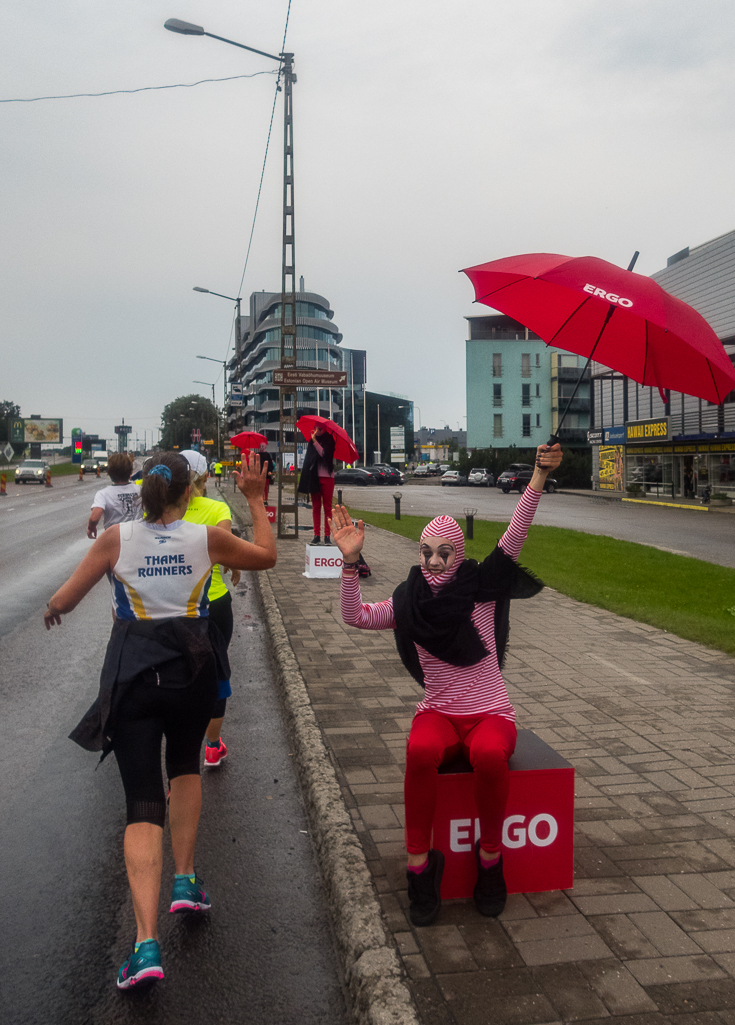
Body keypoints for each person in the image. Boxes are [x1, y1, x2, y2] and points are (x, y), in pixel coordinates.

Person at [45, 451, 275, 989]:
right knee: (186, 768)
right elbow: (266, 556)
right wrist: (257, 502)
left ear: (145, 493)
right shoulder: (205, 539)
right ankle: (186, 881)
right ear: (187, 492)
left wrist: (53, 607)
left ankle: (146, 944)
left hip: (133, 673)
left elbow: (65, 598)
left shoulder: (115, 540)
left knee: (142, 799)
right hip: (192, 667)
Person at [331, 443, 562, 926]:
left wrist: (538, 475)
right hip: (438, 712)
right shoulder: (409, 601)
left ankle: (490, 859)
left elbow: (515, 532)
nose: (433, 561)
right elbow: (354, 616)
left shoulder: (480, 591)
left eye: (444, 553)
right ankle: (420, 864)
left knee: (488, 756)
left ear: (458, 554)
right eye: (425, 552)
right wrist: (349, 562)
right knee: (418, 753)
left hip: (490, 714)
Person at [180, 449, 240, 768]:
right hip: (214, 603)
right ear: (205, 478)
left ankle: (182, 744)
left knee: (180, 673)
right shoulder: (217, 508)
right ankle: (213, 746)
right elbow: (227, 547)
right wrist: (235, 565)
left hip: (174, 608)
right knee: (214, 673)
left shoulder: (163, 511)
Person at [87, 453, 142, 538]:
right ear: (130, 472)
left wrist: (91, 528)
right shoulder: (141, 490)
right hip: (137, 536)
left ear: (109, 473)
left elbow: (94, 518)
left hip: (113, 537)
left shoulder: (103, 494)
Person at [298, 425, 336, 546]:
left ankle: (327, 536)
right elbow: (308, 460)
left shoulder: (330, 440)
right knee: (315, 507)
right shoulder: (311, 442)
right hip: (315, 477)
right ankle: (316, 535)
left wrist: (314, 441)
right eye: (316, 429)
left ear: (325, 429)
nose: (318, 432)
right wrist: (313, 441)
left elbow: (324, 454)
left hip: (328, 477)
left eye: (320, 429)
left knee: (327, 507)